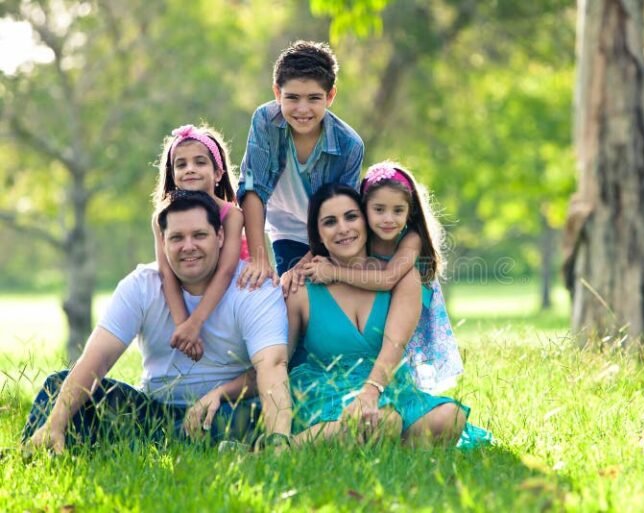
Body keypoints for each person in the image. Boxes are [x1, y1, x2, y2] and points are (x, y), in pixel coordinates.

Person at [23, 191, 292, 453]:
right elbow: (97, 360)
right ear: (163, 241)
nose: (188, 246)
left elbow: (272, 367)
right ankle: (38, 448)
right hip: (151, 410)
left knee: (238, 419)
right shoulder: (140, 286)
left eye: (199, 235)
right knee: (59, 386)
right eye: (177, 238)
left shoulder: (253, 287)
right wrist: (56, 423)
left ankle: (137, 447)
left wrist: (228, 399)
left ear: (220, 236)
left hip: (221, 408)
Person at [287, 184, 473, 447]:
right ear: (318, 233)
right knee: (384, 422)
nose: (343, 228)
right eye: (330, 222)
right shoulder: (301, 290)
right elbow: (278, 360)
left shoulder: (401, 276)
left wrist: (370, 392)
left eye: (351, 217)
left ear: (365, 220)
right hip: (326, 391)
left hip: (389, 386)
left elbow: (395, 344)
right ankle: (291, 447)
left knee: (450, 416)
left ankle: (366, 441)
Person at [303, 161, 463, 393]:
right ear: (365, 208)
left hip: (408, 298)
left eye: (398, 211)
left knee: (401, 355)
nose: (388, 219)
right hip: (376, 299)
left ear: (410, 212)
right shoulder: (360, 232)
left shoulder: (412, 239)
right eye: (379, 210)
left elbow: (388, 280)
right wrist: (294, 271)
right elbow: (319, 247)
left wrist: (335, 273)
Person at [236, 40, 364, 295]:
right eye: (292, 97)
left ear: (330, 96)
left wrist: (302, 267)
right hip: (285, 226)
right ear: (277, 93)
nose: (302, 109)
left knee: (318, 293)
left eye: (314, 98)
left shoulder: (349, 145)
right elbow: (251, 184)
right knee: (287, 293)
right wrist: (259, 259)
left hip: (331, 233)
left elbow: (342, 213)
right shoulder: (265, 121)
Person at [152, 123, 246, 361]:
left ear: (218, 173)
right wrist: (183, 325)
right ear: (172, 175)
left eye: (200, 162)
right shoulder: (161, 217)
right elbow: (166, 272)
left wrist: (196, 322)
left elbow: (226, 271)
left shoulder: (232, 215)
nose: (190, 169)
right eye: (181, 165)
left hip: (232, 292)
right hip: (191, 293)